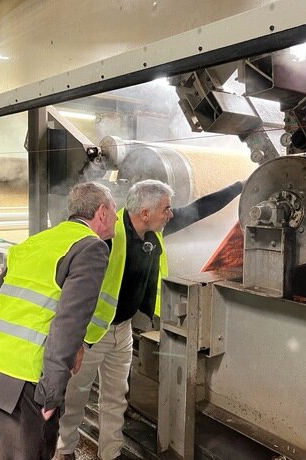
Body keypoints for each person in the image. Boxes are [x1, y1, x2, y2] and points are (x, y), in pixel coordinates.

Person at [55, 178, 245, 460]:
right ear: (145, 213)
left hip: (122, 331)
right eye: (166, 209)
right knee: (74, 398)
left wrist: (240, 186)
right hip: (90, 335)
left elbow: (200, 208)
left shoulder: (154, 230)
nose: (171, 214)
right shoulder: (107, 234)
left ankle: (111, 453)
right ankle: (65, 450)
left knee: (115, 398)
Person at [0, 181, 119, 460]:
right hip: (18, 386)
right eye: (115, 211)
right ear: (102, 212)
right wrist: (51, 395)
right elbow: (68, 326)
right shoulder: (90, 248)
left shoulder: (37, 241)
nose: (117, 219)